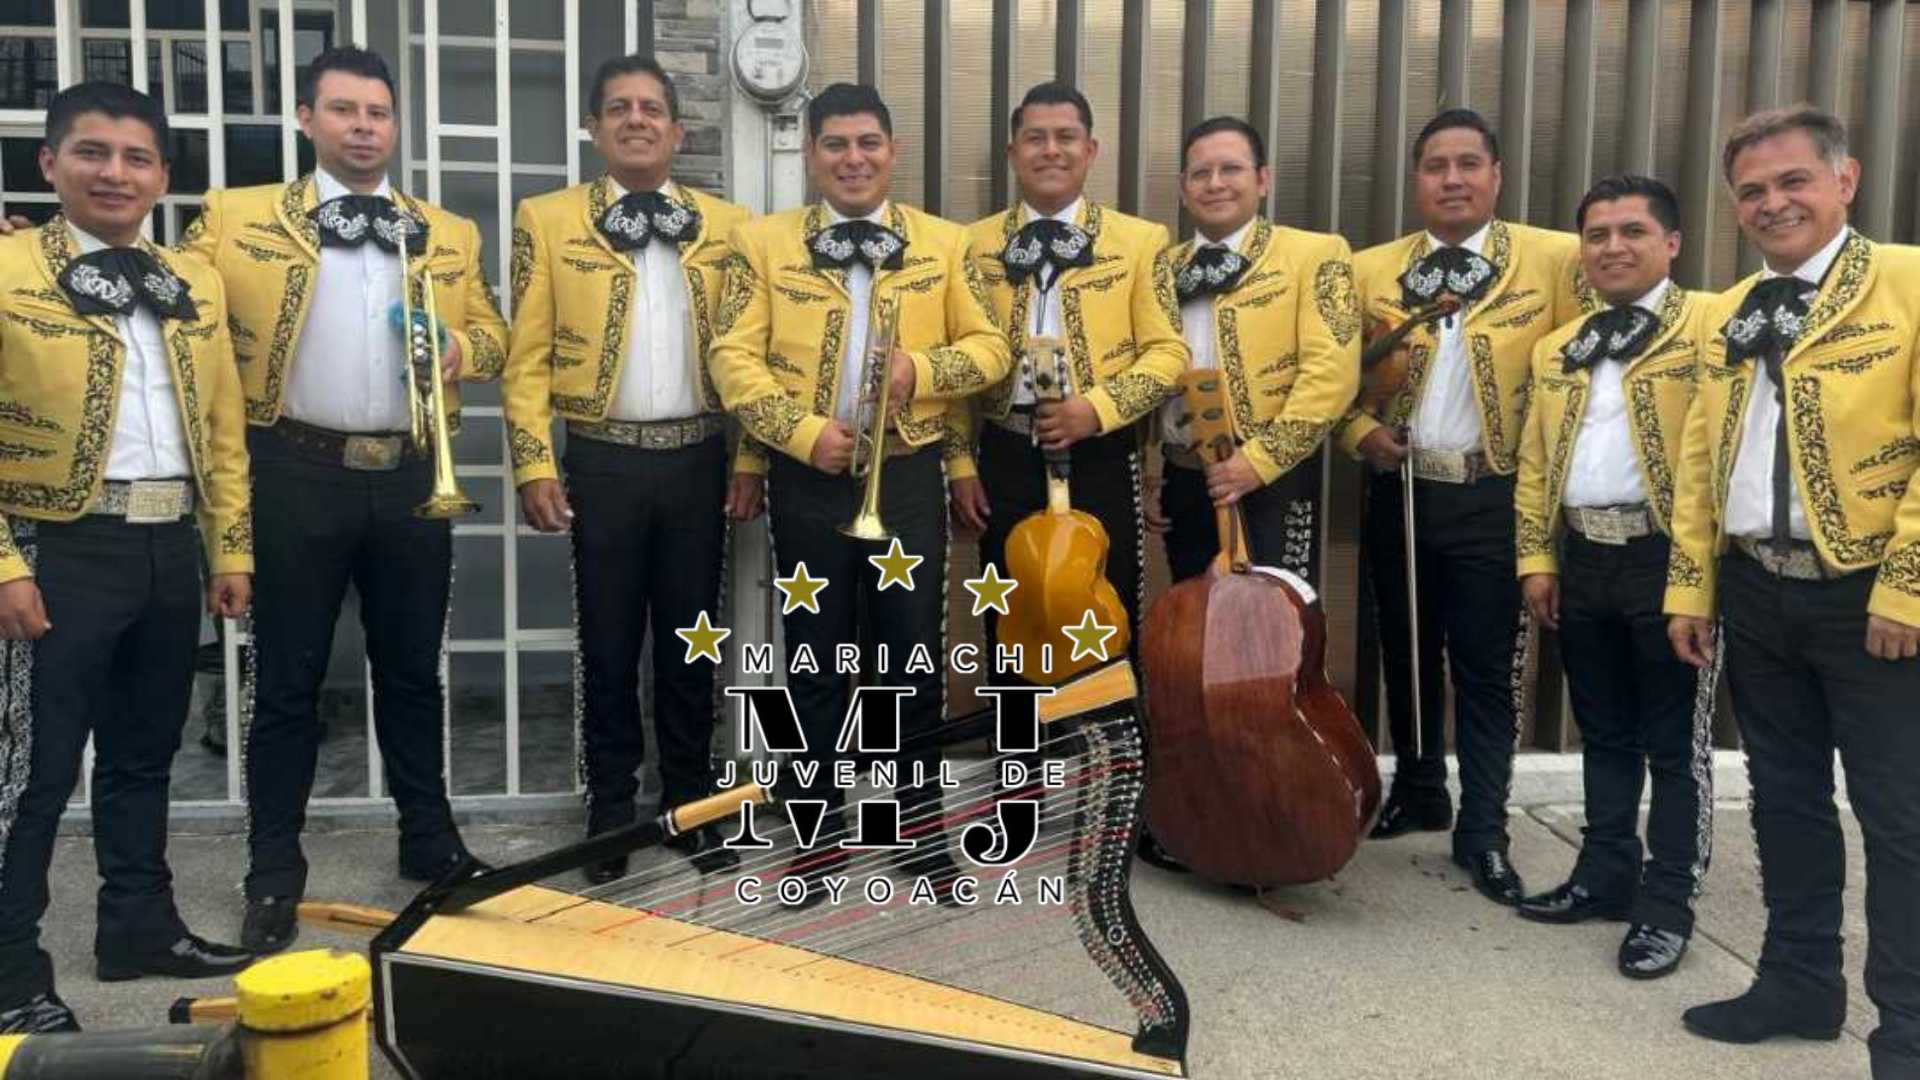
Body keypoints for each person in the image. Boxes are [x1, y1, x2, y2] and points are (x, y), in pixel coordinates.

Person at [177, 46, 510, 954]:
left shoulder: (446, 230)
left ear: (394, 125)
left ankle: (429, 845)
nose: (364, 126)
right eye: (344, 110)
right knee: (286, 684)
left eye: (378, 112)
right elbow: (174, 298)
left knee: (411, 673)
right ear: (305, 120)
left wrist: (459, 353)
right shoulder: (234, 216)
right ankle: (273, 871)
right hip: (293, 470)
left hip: (410, 474)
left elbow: (493, 333)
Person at [707, 83, 1011, 905]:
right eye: (835, 144)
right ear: (811, 154)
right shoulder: (761, 243)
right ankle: (817, 832)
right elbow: (732, 356)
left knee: (908, 658)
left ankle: (916, 828)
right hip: (810, 477)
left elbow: (992, 347)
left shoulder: (945, 245)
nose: (853, 158)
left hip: (907, 474)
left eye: (868, 143)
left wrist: (923, 370)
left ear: (893, 150)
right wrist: (800, 433)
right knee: (814, 657)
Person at [1664, 105, 1920, 1079]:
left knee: (1901, 820)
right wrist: (1693, 584)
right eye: (1754, 190)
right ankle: (1801, 983)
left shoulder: (1908, 284)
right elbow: (1701, 454)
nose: (1773, 203)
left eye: (1793, 182)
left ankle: (1907, 1031)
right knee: (1784, 799)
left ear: (1844, 182)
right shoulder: (1734, 307)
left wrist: (1908, 586)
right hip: (1756, 589)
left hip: (1870, 600)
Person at [0, 81, 253, 1033]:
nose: (115, 172)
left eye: (137, 157)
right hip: (52, 543)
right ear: (50, 164)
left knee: (148, 754)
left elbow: (222, 427)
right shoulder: (8, 265)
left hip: (164, 543)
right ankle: (9, 970)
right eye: (93, 152)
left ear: (161, 175)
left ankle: (137, 925)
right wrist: (4, 566)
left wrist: (229, 546)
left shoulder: (195, 282)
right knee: (31, 769)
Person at [503, 55, 758, 885]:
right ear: (594, 127)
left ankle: (690, 800)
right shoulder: (545, 219)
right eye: (619, 108)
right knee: (608, 643)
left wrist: (750, 455)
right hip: (603, 458)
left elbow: (753, 355)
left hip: (698, 456)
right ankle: (610, 809)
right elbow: (526, 357)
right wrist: (536, 461)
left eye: (653, 108)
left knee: (694, 642)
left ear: (679, 132)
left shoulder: (730, 226)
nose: (637, 119)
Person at [1337, 107, 1588, 906]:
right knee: (1405, 649)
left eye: (1468, 164)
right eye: (1436, 166)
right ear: (1415, 181)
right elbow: (1326, 379)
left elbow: (1587, 374)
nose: (1452, 179)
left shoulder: (1555, 259)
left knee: (1485, 668)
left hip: (1494, 492)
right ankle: (1418, 788)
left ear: (1497, 176)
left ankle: (1483, 829)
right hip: (1400, 487)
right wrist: (1360, 433)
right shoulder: (1368, 268)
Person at [1511, 174, 1715, 979]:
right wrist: (1536, 557)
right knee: (1604, 731)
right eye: (1597, 235)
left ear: (1670, 243)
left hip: (1668, 558)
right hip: (1585, 558)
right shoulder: (1558, 347)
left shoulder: (1711, 326)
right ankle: (1604, 873)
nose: (1613, 248)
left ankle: (1668, 902)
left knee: (1673, 742)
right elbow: (1533, 463)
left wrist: (1697, 578)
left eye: (1632, 232)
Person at [951, 81, 1185, 655]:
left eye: (1066, 137)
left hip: (1103, 451)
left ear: (1091, 150)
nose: (1050, 150)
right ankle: (1020, 745)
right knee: (1010, 614)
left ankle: (1108, 746)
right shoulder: (971, 244)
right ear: (1013, 153)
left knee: (1105, 610)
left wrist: (1095, 410)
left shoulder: (1139, 241)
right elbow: (956, 356)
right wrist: (959, 460)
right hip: (1004, 455)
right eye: (1035, 138)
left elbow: (1169, 354)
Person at [1152, 115, 1357, 586]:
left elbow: (1332, 375)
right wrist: (1149, 472)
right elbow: (1146, 368)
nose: (1215, 184)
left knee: (1280, 636)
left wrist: (1257, 463)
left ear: (1262, 180)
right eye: (1201, 174)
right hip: (1185, 476)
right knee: (1195, 632)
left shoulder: (1316, 254)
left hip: (1275, 478)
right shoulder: (1161, 267)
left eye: (1231, 169)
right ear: (1184, 188)